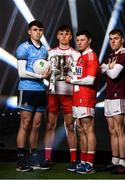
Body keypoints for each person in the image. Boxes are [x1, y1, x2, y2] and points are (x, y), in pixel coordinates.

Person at [40, 25, 80, 170]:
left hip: (69, 94)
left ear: (70, 37)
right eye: (61, 34)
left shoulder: (76, 54)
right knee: (50, 125)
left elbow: (79, 75)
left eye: (66, 34)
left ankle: (74, 160)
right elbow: (43, 70)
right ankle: (47, 158)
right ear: (57, 36)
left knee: (70, 126)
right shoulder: (49, 53)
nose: (64, 36)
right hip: (53, 93)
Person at [16, 20, 51, 172]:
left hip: (40, 91)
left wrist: (47, 79)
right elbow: (21, 72)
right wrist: (39, 77)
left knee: (37, 125)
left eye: (40, 30)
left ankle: (34, 158)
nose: (38, 32)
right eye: (35, 29)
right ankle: (21, 160)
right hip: (27, 90)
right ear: (29, 31)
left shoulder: (44, 50)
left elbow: (45, 71)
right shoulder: (23, 48)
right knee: (25, 124)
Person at [66, 30, 99, 174]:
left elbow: (91, 79)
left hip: (86, 97)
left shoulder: (91, 56)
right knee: (80, 129)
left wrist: (72, 80)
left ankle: (90, 163)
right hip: (77, 96)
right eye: (78, 40)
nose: (79, 42)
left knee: (88, 129)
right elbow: (79, 76)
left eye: (82, 40)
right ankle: (83, 161)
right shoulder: (80, 57)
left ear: (89, 40)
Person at [101, 28, 125, 174]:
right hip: (108, 96)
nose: (113, 41)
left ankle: (123, 164)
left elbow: (113, 74)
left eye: (116, 38)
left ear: (122, 40)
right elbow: (101, 70)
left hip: (120, 96)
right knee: (111, 130)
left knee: (119, 130)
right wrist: (107, 66)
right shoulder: (110, 56)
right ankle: (115, 161)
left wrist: (107, 67)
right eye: (111, 39)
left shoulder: (124, 55)